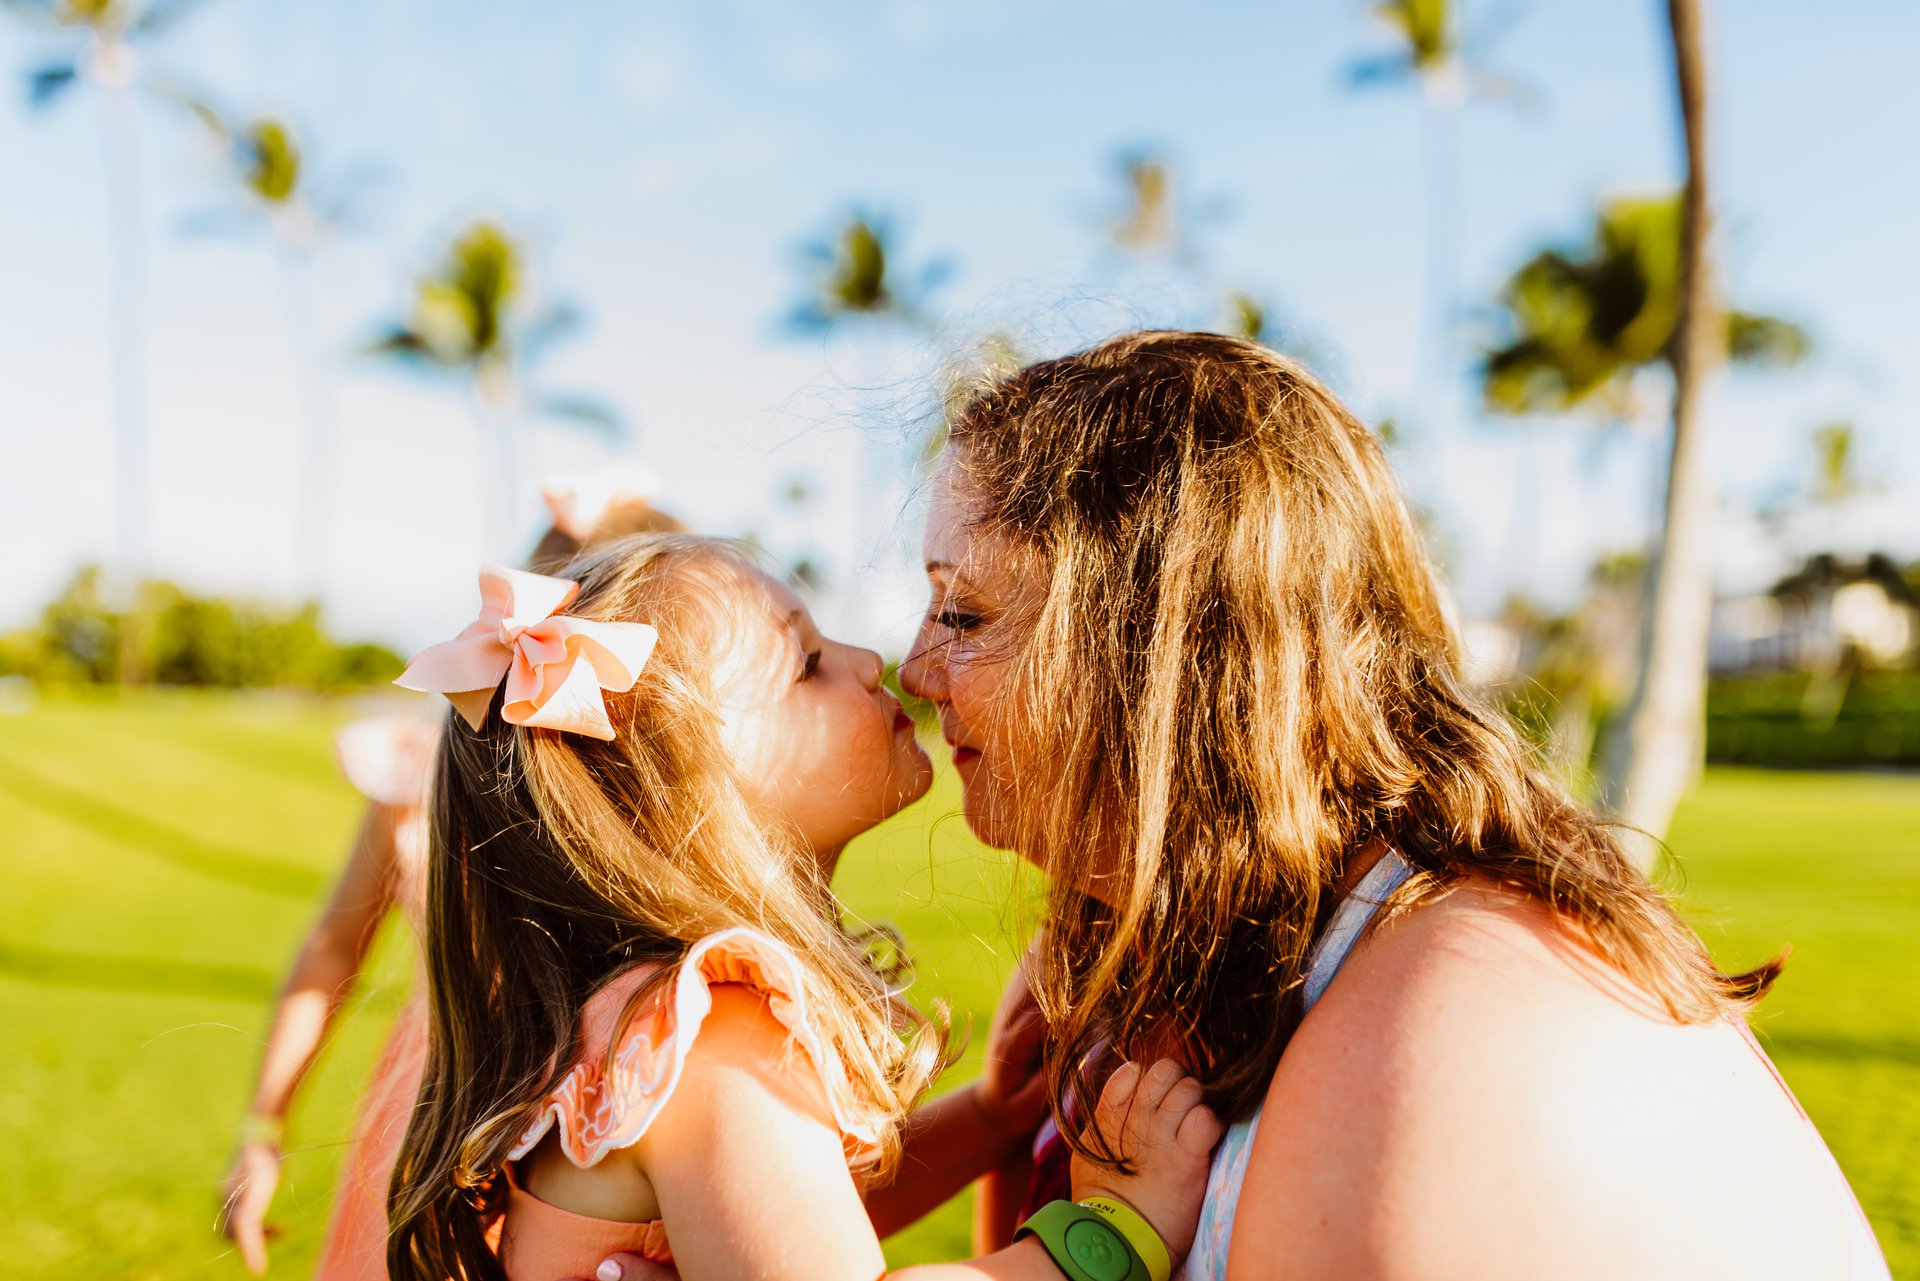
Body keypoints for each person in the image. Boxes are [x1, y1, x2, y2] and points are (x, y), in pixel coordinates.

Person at [885, 330, 1892, 1279]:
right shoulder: (1109, 963)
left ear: (1160, 654)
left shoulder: (1446, 1019)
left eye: (962, 611)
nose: (918, 670)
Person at [386, 533, 1224, 1281]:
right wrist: (1113, 1229)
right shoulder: (712, 1042)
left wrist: (987, 1115)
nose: (871, 660)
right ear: (686, 800)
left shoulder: (639, 1033)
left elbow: (793, 1215)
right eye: (808, 663)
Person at [217, 477, 686, 1279]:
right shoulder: (421, 775)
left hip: (601, 1137)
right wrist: (263, 1128)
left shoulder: (670, 798)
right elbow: (334, 944)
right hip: (429, 1120)